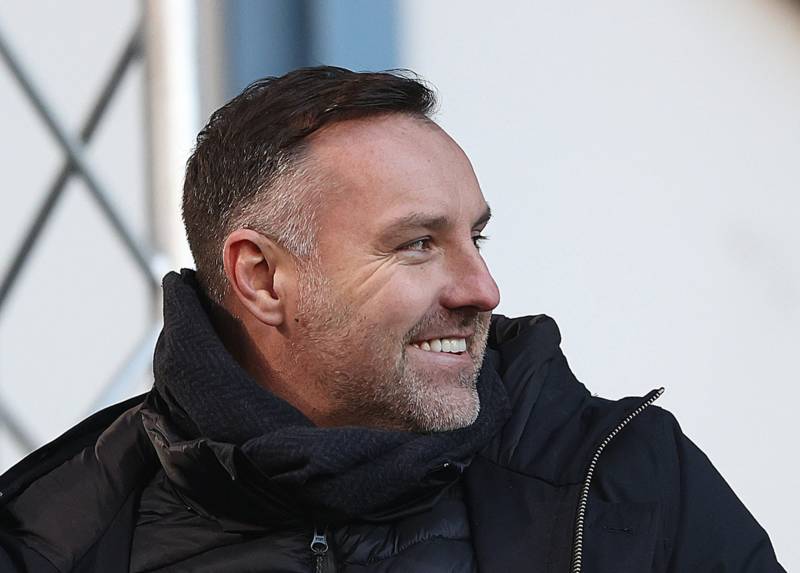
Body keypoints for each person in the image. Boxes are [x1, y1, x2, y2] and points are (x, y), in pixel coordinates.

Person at [0, 66, 785, 572]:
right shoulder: (52, 534)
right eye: (417, 243)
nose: (483, 288)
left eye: (475, 238)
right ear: (261, 277)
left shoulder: (627, 483)